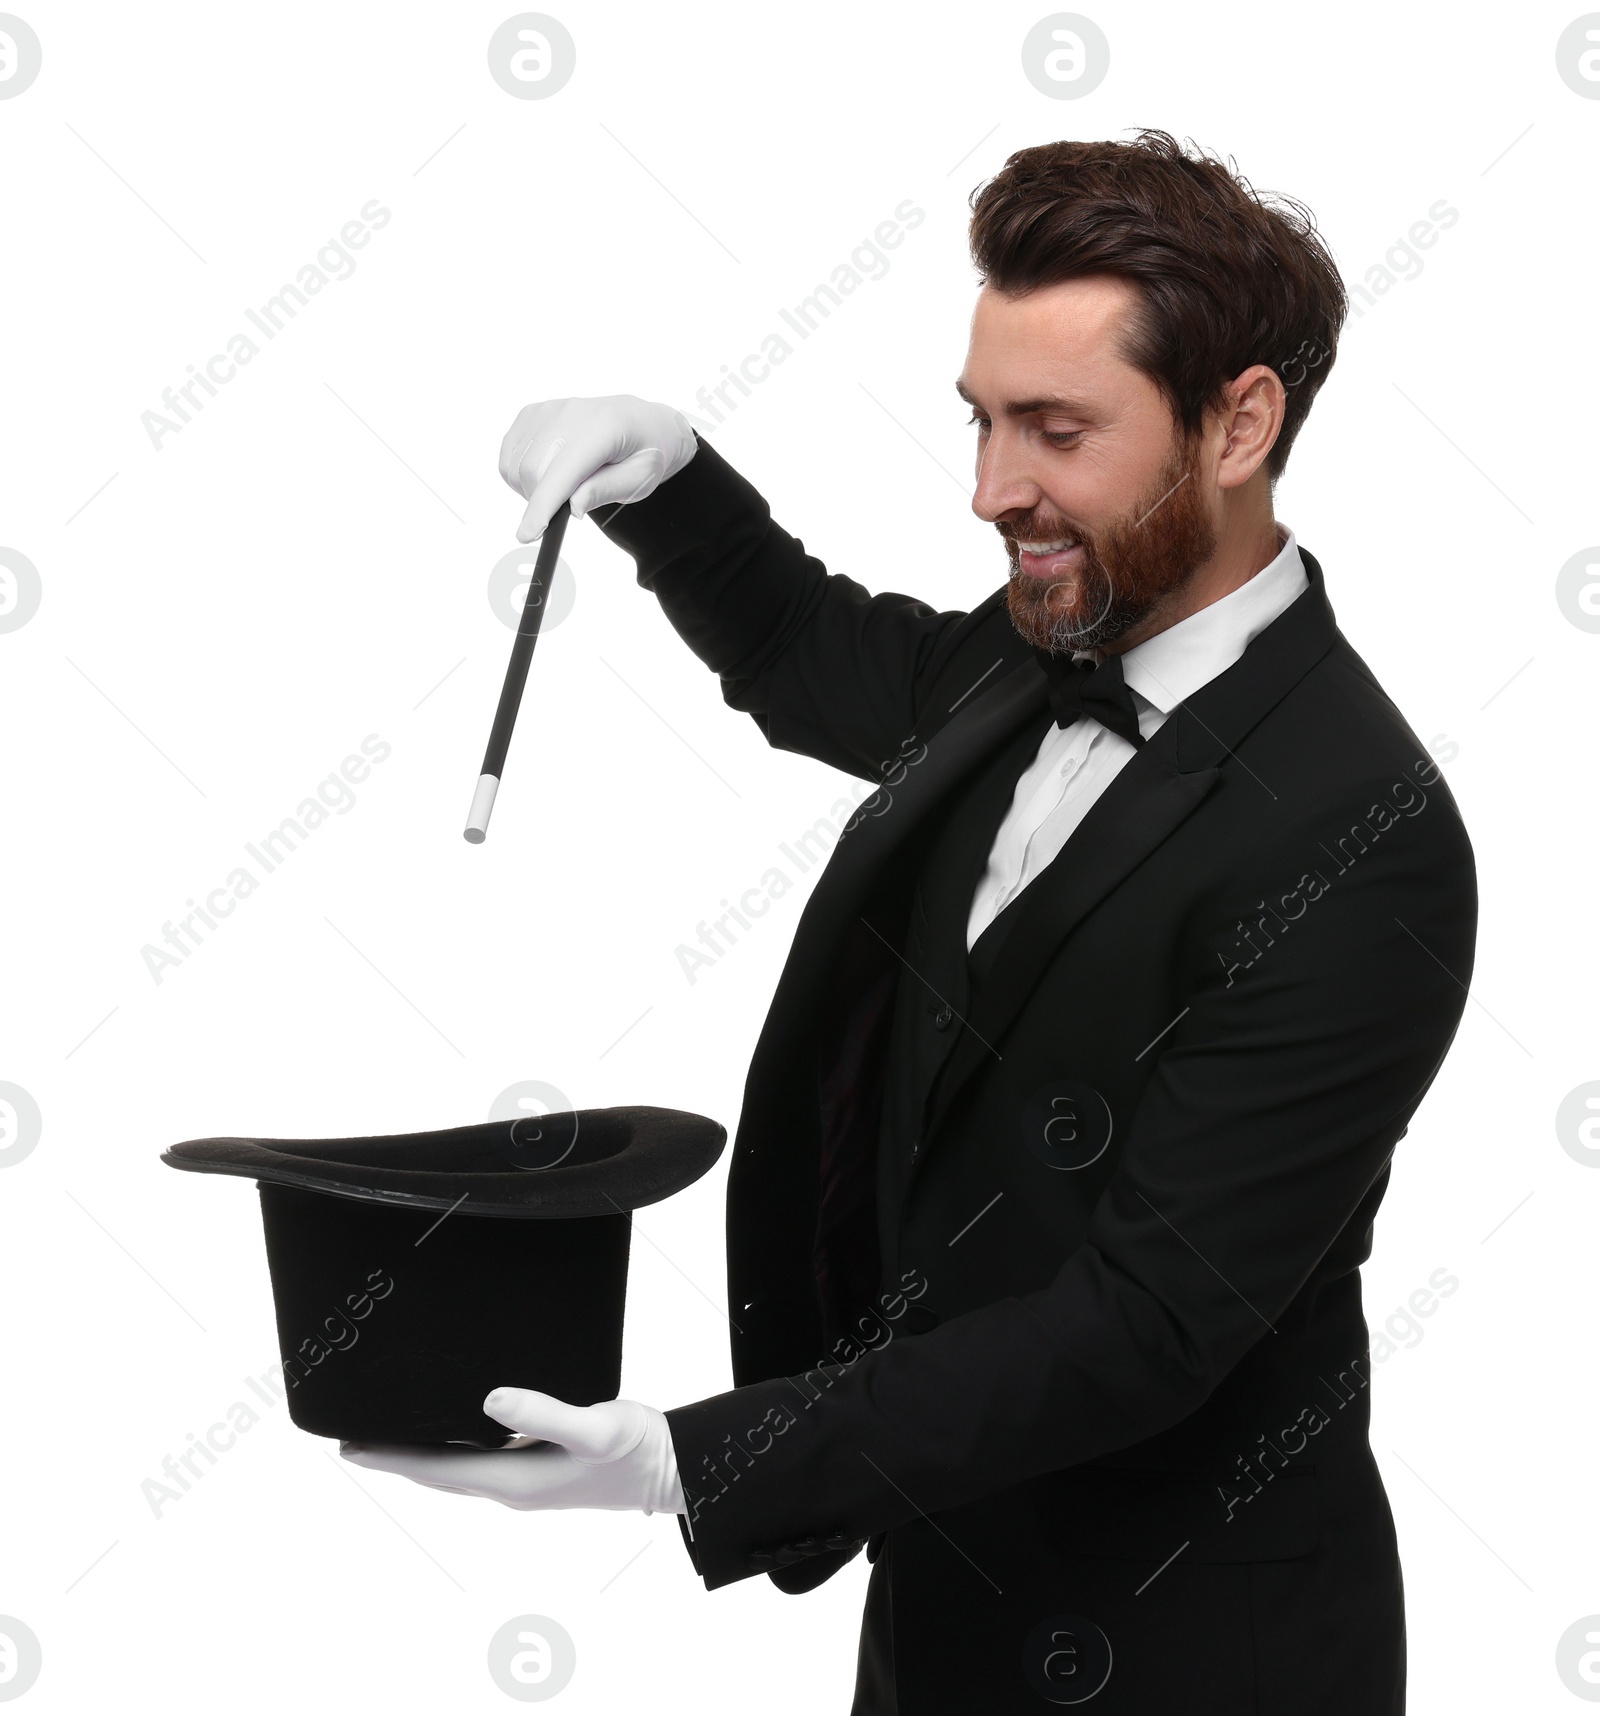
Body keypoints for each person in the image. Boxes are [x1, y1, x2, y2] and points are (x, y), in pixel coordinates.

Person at [346, 131, 1476, 1714]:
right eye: (983, 421)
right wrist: (666, 479)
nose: (991, 490)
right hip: (947, 1594)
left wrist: (696, 1462)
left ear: (1240, 423)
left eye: (1056, 430)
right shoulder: (1030, 657)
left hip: (1194, 1645)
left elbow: (1148, 1324)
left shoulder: (1369, 838)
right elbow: (815, 652)